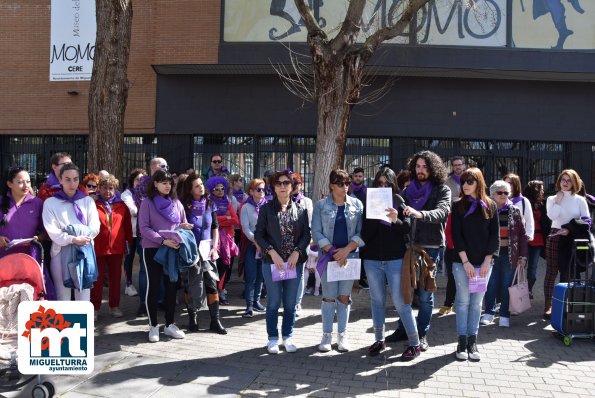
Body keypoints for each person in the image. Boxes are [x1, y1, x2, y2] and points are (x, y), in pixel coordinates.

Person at [387, 151, 451, 352]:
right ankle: (403, 328)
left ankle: (421, 334)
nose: (421, 170)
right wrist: (395, 217)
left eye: (425, 166)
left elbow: (442, 212)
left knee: (424, 294)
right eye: (418, 166)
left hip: (430, 248)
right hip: (407, 246)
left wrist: (420, 213)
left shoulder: (442, 189)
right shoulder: (407, 190)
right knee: (405, 291)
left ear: (433, 168)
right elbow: (403, 220)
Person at [360, 168, 423, 360]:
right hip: (372, 259)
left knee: (401, 301)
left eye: (386, 183)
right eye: (379, 183)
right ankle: (379, 339)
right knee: (377, 301)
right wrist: (376, 217)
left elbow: (407, 229)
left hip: (395, 259)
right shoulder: (368, 201)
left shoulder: (399, 200)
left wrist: (395, 220)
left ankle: (415, 343)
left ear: (393, 184)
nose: (382, 187)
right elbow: (364, 233)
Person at [254, 169, 310, 354]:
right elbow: (259, 235)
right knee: (273, 302)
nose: (283, 186)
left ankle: (287, 336)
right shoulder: (266, 209)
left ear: (292, 186)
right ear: (274, 187)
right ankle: (272, 338)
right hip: (272, 263)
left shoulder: (301, 209)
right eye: (279, 183)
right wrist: (272, 252)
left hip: (294, 264)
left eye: (287, 183)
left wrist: (297, 252)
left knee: (290, 303)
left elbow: (305, 235)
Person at [311, 169, 364, 353]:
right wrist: (333, 251)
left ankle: (342, 334)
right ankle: (326, 335)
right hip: (329, 257)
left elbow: (361, 232)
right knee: (328, 297)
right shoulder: (320, 206)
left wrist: (347, 250)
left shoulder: (357, 204)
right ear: (332, 185)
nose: (345, 187)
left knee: (344, 297)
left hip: (349, 257)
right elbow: (316, 232)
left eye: (347, 183)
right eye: (341, 183)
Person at [138, 169, 194, 342]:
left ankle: (170, 324)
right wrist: (162, 240)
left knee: (172, 287)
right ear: (155, 184)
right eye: (163, 182)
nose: (167, 185)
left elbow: (180, 222)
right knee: (153, 287)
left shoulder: (176, 203)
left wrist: (184, 227)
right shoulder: (147, 203)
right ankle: (153, 325)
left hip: (173, 249)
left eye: (169, 182)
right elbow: (144, 228)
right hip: (153, 249)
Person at [451, 167, 499, 361]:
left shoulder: (491, 205)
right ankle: (461, 341)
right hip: (462, 262)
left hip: (484, 264)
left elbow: (494, 237)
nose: (465, 185)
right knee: (462, 302)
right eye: (463, 181)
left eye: (470, 181)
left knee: (477, 303)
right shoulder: (458, 206)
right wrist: (466, 262)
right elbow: (456, 235)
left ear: (479, 183)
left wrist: (487, 261)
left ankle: (473, 341)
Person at [42, 163, 100, 301]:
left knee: (84, 293)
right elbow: (53, 231)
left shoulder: (87, 201)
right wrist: (73, 239)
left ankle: (83, 323)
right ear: (60, 180)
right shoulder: (50, 203)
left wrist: (73, 232)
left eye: (75, 179)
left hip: (84, 250)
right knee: (63, 295)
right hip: (60, 252)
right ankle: (64, 323)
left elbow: (95, 227)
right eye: (67, 179)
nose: (72, 183)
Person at [180, 173, 226, 334]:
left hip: (207, 249)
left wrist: (215, 247)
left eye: (201, 184)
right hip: (191, 250)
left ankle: (215, 320)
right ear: (190, 189)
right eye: (197, 186)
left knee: (211, 284)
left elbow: (215, 226)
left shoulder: (209, 203)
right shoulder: (184, 205)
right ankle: (192, 319)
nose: (201, 188)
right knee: (190, 285)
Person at [0, 167, 54, 299]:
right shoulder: (1, 202)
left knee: (35, 295)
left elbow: (47, 231)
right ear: (9, 184)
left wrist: (38, 238)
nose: (26, 185)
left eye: (28, 182)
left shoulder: (38, 204)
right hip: (4, 256)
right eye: (20, 182)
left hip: (31, 257)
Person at [543, 169, 590, 319]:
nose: (565, 183)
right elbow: (552, 216)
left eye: (568, 180)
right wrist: (557, 200)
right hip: (555, 236)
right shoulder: (551, 199)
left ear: (574, 182)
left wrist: (570, 229)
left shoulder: (580, 200)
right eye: (563, 180)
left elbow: (587, 221)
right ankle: (548, 305)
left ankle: (564, 305)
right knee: (551, 272)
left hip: (572, 238)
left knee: (568, 272)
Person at [480, 180, 528, 328]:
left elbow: (522, 235)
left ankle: (505, 315)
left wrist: (523, 256)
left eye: (506, 193)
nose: (503, 195)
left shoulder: (515, 211)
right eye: (499, 192)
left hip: (509, 255)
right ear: (492, 194)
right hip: (490, 255)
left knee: (507, 285)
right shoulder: (486, 209)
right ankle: (488, 312)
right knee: (490, 284)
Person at [91, 175, 133, 320]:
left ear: (115, 190)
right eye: (104, 188)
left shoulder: (122, 206)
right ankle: (94, 308)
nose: (108, 191)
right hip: (97, 248)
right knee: (96, 280)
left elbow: (127, 227)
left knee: (115, 279)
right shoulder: (93, 204)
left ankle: (114, 306)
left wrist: (128, 244)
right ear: (99, 189)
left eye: (111, 188)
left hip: (117, 248)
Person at [133, 157, 169, 317]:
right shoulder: (143, 185)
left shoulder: (168, 184)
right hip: (148, 235)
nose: (166, 168)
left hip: (167, 236)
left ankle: (161, 300)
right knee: (145, 270)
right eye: (163, 166)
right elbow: (142, 206)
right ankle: (144, 302)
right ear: (153, 167)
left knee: (163, 270)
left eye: (167, 166)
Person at [206, 176, 239, 305]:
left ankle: (221, 289)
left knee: (226, 266)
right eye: (217, 189)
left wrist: (220, 220)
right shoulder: (209, 203)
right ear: (211, 190)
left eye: (222, 188)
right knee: (215, 266)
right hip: (213, 240)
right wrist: (226, 218)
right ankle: (214, 292)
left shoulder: (229, 202)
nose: (220, 191)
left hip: (228, 240)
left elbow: (235, 220)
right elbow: (211, 222)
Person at [240, 178, 267, 318]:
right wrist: (256, 242)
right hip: (252, 246)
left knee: (261, 276)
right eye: (258, 189)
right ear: (251, 191)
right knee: (251, 276)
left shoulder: (268, 205)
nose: (262, 192)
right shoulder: (245, 207)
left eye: (264, 189)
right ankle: (249, 305)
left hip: (266, 246)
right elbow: (245, 228)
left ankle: (257, 301)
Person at [121, 168, 146, 297]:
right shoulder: (126, 194)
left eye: (142, 180)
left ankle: (144, 285)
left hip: (143, 233)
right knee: (129, 259)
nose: (139, 182)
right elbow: (133, 211)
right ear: (132, 181)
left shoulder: (146, 193)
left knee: (143, 259)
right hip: (130, 232)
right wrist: (146, 211)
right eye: (137, 179)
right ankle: (128, 284)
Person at [291, 172, 313, 316]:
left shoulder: (307, 201)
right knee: (287, 273)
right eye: (290, 184)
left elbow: (310, 221)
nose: (293, 187)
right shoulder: (282, 199)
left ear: (301, 185)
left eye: (296, 184)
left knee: (299, 273)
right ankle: (288, 302)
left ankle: (297, 302)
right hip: (285, 242)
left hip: (302, 241)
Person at [523, 180, 550, 298]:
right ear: (535, 190)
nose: (543, 191)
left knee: (532, 268)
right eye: (541, 188)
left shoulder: (543, 204)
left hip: (538, 240)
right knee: (519, 266)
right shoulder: (523, 202)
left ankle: (529, 290)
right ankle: (517, 291)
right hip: (524, 239)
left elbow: (547, 222)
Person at [503, 173, 535, 242]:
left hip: (518, 238)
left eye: (510, 183)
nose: (507, 186)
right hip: (503, 237)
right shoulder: (500, 199)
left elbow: (529, 219)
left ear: (516, 185)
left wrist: (529, 235)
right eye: (505, 183)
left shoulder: (524, 201)